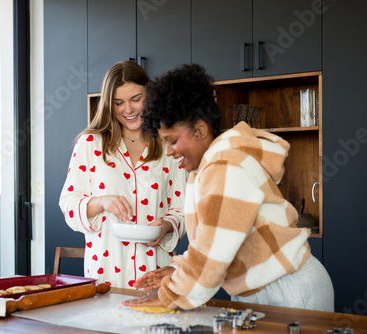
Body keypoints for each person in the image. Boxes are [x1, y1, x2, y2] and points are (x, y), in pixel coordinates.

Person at [122, 64, 334, 311]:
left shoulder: (224, 167)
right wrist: (178, 270)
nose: (168, 151)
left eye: (172, 140)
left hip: (290, 290)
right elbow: (212, 241)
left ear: (200, 130)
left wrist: (170, 295)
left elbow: (213, 254)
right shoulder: (208, 167)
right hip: (269, 289)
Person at [59, 61, 187, 289]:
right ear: (109, 104)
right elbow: (69, 204)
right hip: (106, 274)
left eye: (136, 99)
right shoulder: (89, 144)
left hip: (156, 274)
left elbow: (182, 208)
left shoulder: (168, 143)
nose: (128, 110)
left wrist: (166, 225)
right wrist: (102, 202)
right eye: (118, 103)